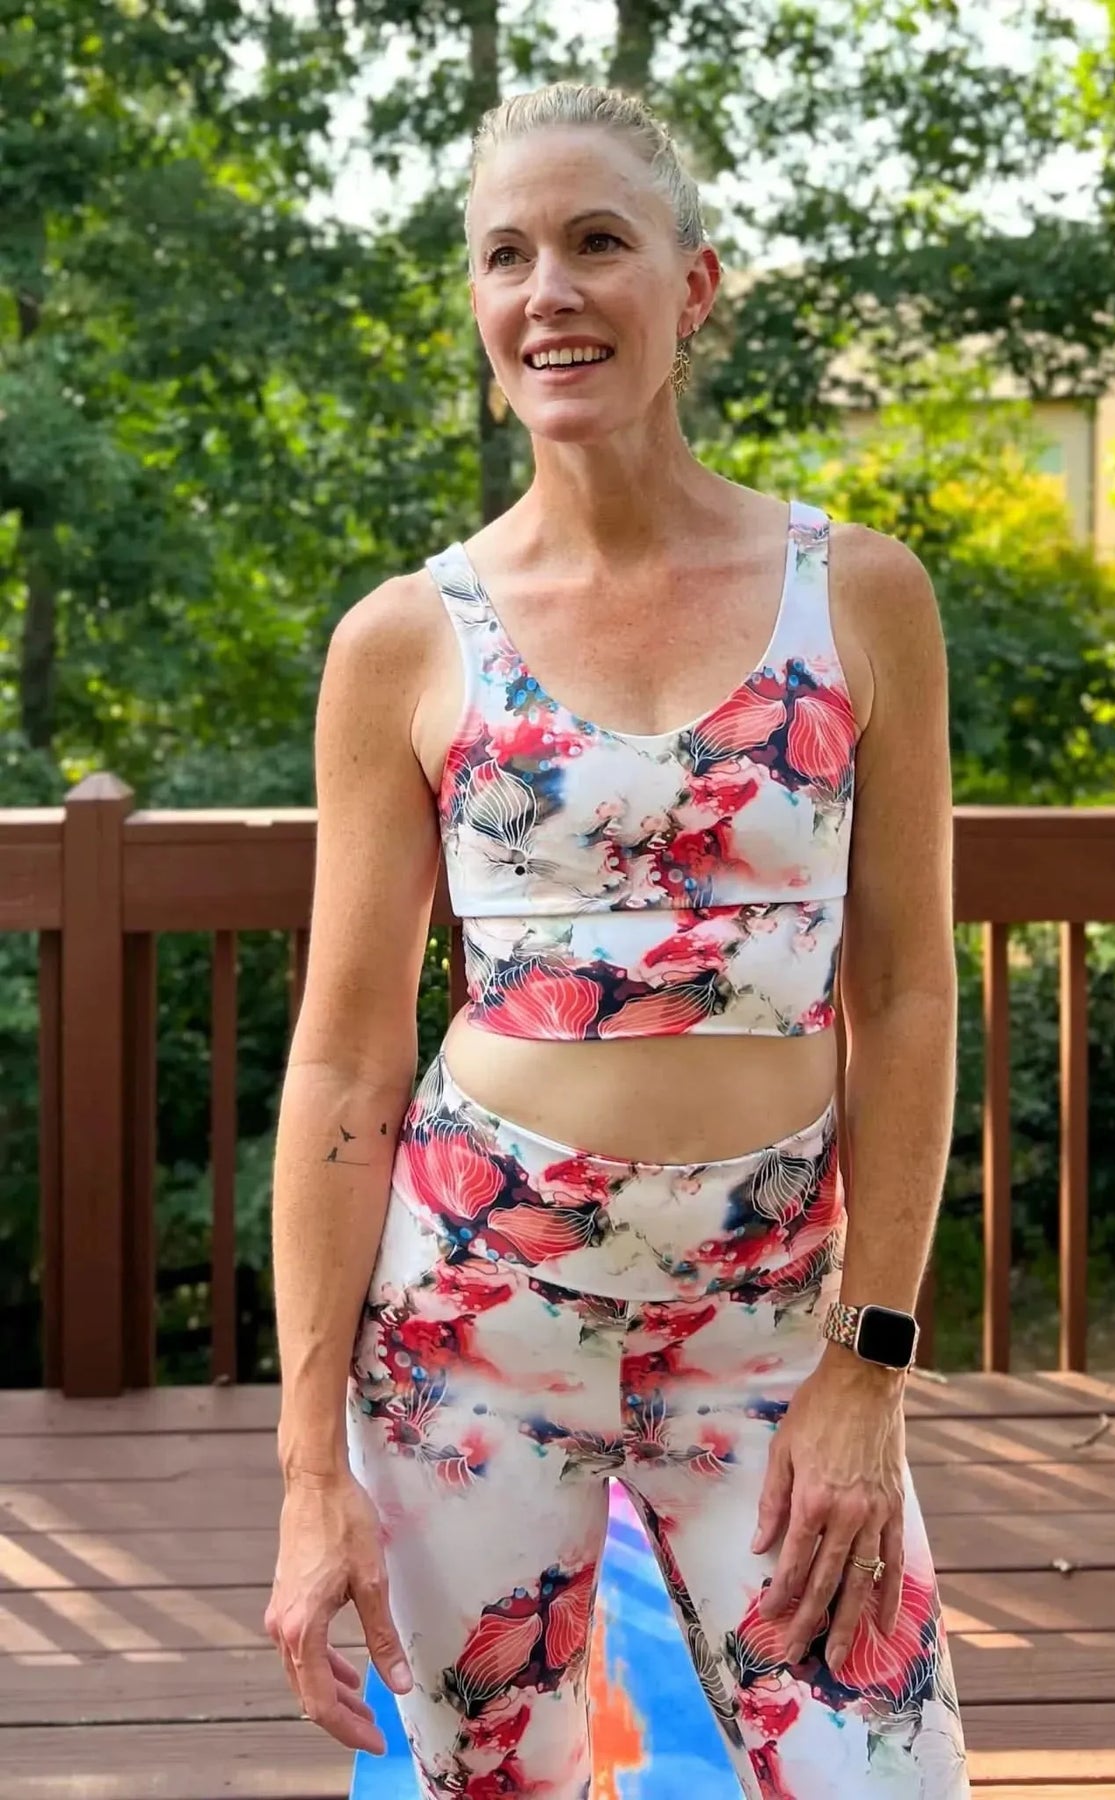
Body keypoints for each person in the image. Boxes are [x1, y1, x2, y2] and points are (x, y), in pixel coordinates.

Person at [265, 79, 970, 1799]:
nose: (549, 292)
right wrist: (305, 1473)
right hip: (471, 1336)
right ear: (480, 310)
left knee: (892, 1779)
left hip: (773, 1333)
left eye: (598, 243)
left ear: (695, 286)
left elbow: (904, 986)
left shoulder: (857, 593)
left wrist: (871, 1361)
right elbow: (351, 1059)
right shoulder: (404, 642)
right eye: (508, 256)